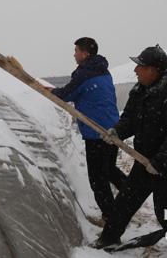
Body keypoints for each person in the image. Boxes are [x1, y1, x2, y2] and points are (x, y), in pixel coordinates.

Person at [95, 45, 167, 258]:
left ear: (154, 70)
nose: (135, 70)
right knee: (125, 201)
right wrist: (117, 132)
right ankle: (109, 238)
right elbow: (129, 119)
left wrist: (158, 163)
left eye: (140, 66)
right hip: (144, 161)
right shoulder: (139, 91)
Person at [48, 37, 126, 224]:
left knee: (97, 179)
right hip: (112, 130)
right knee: (108, 170)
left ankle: (112, 217)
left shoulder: (84, 74)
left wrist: (49, 91)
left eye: (76, 50)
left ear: (85, 53)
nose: (74, 54)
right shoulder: (104, 71)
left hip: (96, 133)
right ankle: (131, 194)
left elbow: (66, 95)